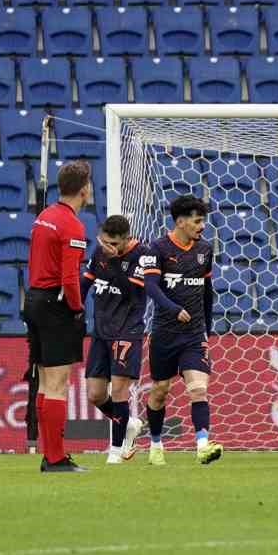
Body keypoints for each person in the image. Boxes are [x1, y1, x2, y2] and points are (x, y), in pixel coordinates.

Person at [140, 196, 221, 466]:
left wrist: (206, 331)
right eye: (197, 221)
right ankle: (155, 444)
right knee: (160, 390)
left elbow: (207, 292)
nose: (202, 226)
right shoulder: (158, 249)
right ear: (180, 222)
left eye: (203, 220)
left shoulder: (205, 250)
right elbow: (151, 287)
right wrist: (174, 308)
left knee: (198, 389)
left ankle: (202, 446)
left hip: (194, 335)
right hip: (164, 333)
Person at [24, 160, 91, 474]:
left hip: (34, 299)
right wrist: (77, 309)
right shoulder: (72, 225)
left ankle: (48, 454)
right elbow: (69, 278)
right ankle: (55, 458)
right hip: (55, 305)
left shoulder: (44, 217)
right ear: (84, 188)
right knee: (58, 384)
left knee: (43, 383)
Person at [83, 215, 149, 465]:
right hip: (101, 331)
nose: (107, 246)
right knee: (95, 394)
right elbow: (87, 280)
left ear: (126, 239)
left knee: (119, 391)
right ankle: (129, 424)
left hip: (126, 331)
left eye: (112, 243)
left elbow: (131, 293)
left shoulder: (141, 255)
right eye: (104, 241)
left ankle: (116, 451)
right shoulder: (100, 252)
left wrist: (112, 262)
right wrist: (75, 307)